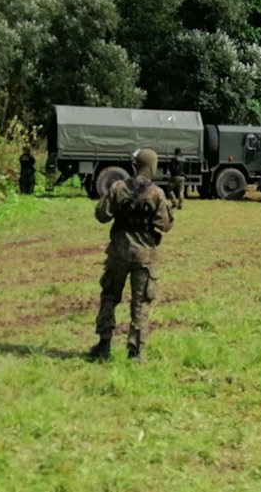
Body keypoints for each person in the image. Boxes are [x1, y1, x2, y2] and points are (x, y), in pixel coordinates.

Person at [89, 148, 174, 362]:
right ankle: (136, 351)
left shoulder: (118, 187)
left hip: (118, 252)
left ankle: (104, 344)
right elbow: (165, 224)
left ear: (135, 165)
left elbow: (101, 215)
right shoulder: (156, 193)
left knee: (109, 296)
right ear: (152, 167)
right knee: (141, 302)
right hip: (144, 255)